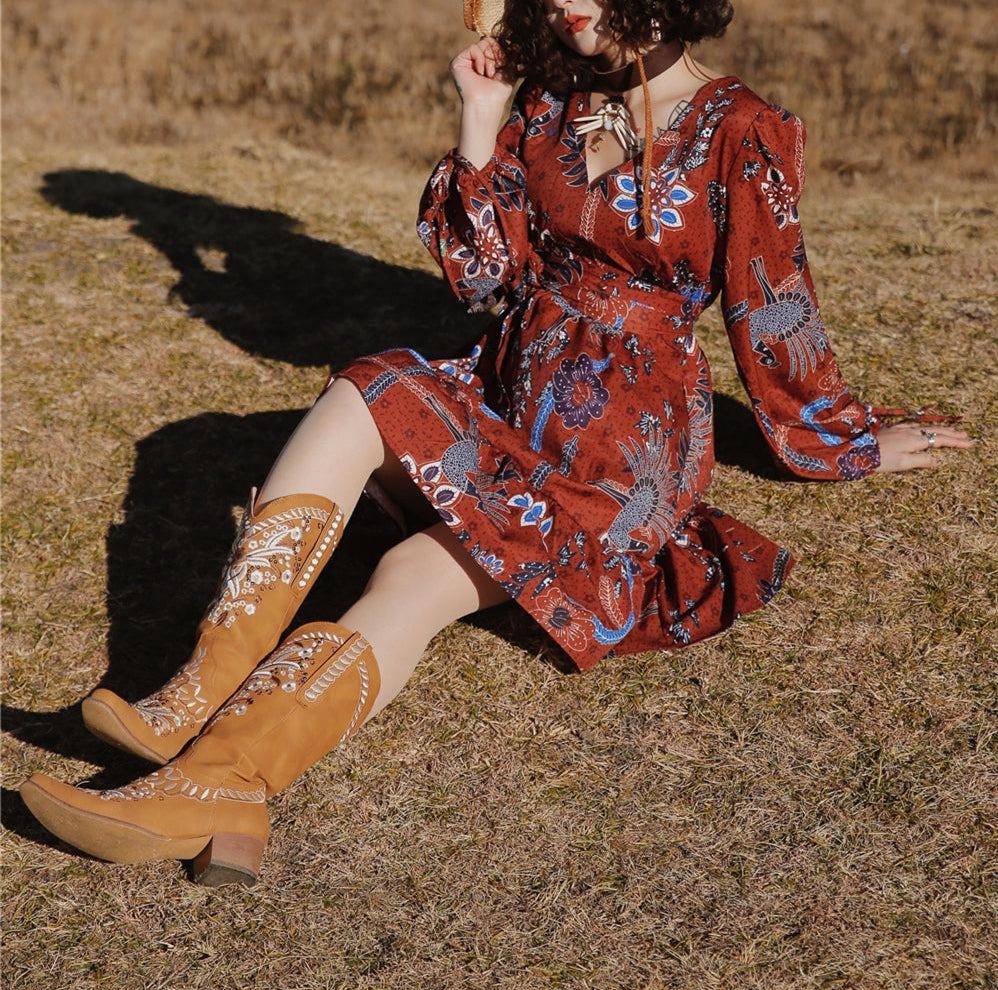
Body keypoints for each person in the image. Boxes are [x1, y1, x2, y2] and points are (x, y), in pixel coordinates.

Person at [20, 0, 971, 885]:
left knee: (413, 574)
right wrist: (481, 117)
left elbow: (773, 299)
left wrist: (844, 440)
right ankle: (198, 689)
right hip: (506, 391)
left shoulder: (742, 128)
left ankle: (225, 780)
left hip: (619, 454)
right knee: (365, 386)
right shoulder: (553, 101)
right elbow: (483, 280)